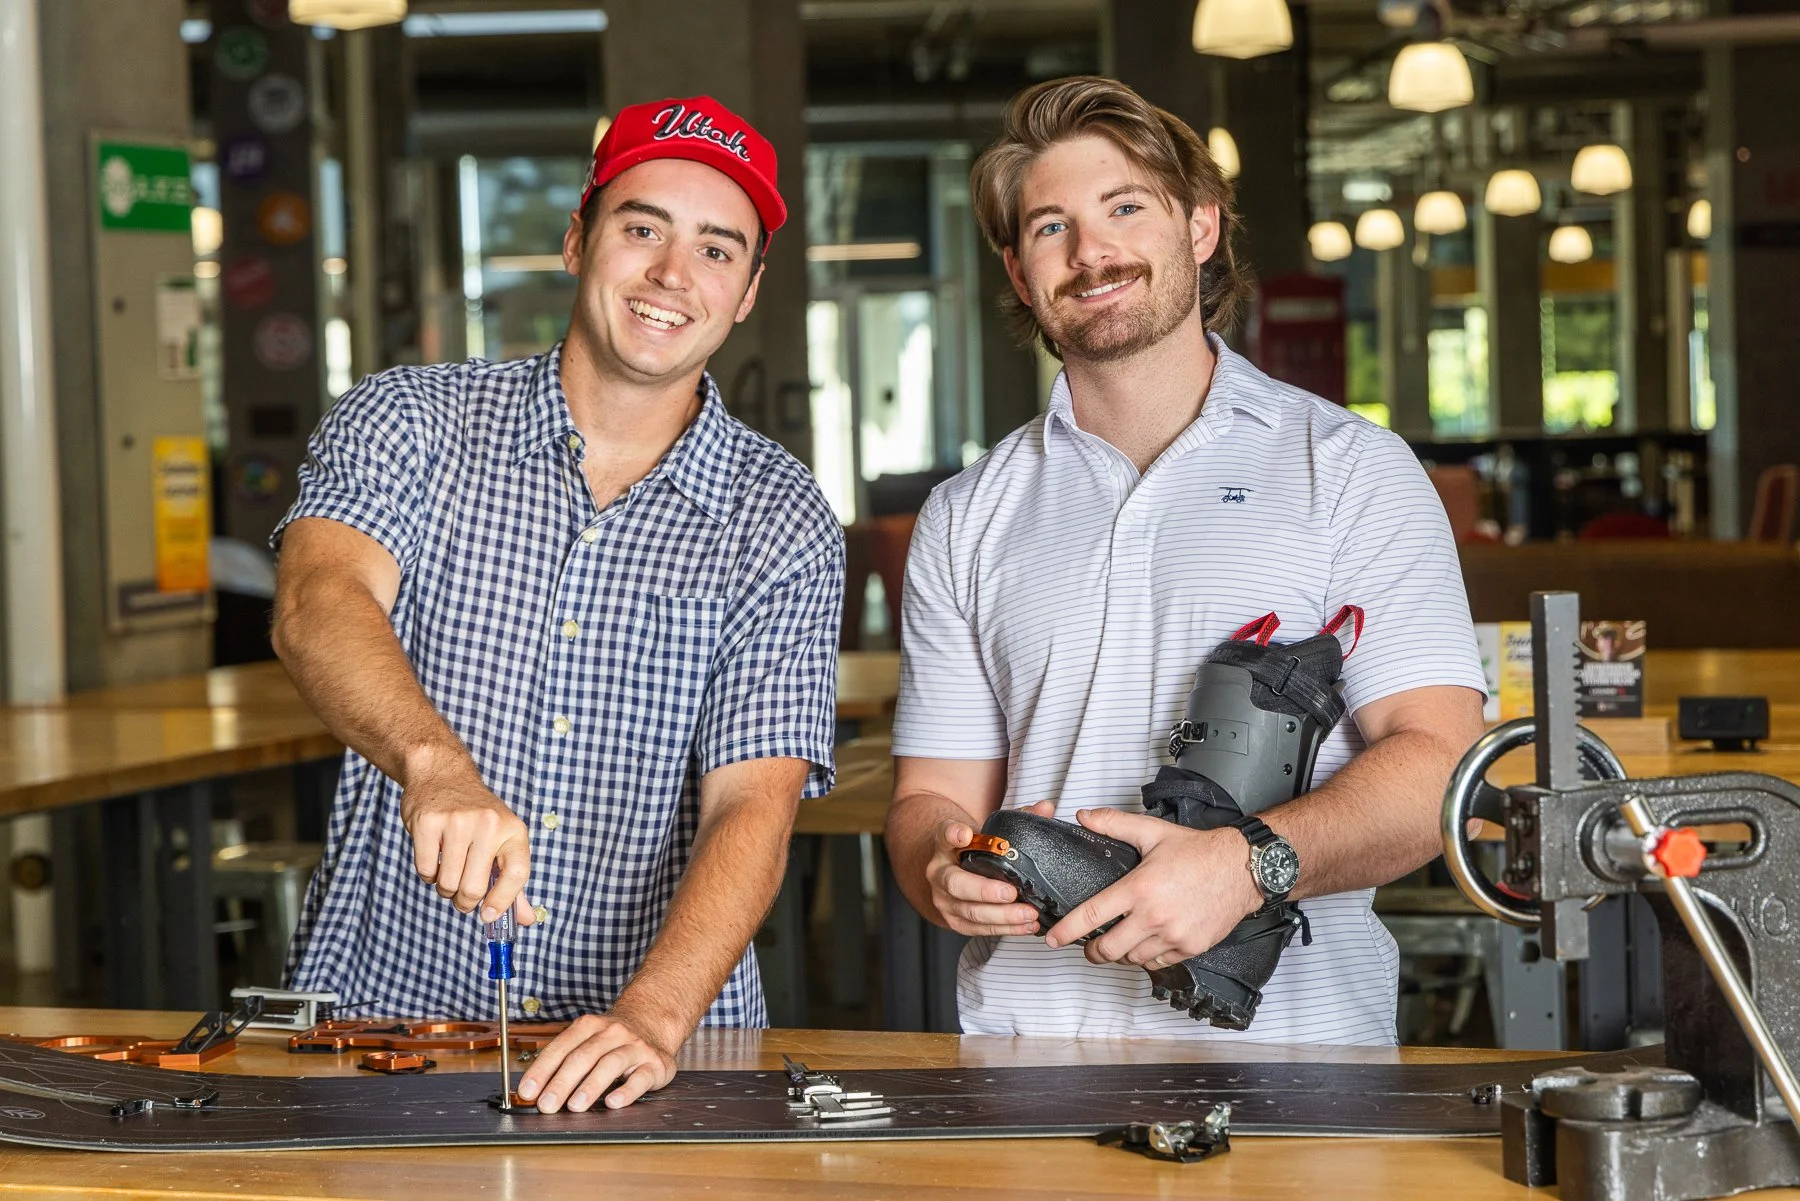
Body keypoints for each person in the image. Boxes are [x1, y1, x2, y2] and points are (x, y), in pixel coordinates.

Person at [884, 76, 1487, 1043]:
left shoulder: (1348, 468)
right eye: (1051, 227)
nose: (1091, 252)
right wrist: (938, 869)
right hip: (1026, 1059)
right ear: (1016, 267)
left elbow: (1442, 763)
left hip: (1300, 1065)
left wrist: (1248, 864)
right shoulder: (965, 514)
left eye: (1126, 207)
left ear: (1201, 228)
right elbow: (931, 796)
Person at [270, 96, 843, 1111]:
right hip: (387, 1030)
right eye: (642, 229)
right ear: (578, 239)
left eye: (717, 250)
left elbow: (751, 801)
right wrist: (435, 765)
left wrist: (653, 1016)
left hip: (659, 1054)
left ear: (749, 291)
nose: (673, 274)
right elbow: (321, 600)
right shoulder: (411, 420)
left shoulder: (779, 512)